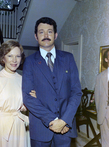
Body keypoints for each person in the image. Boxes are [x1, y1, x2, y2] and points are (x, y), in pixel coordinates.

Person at [22, 17, 82, 147]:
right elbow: (27, 97)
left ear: (55, 35)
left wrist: (64, 120)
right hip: (40, 130)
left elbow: (76, 92)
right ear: (36, 36)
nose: (45, 35)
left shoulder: (68, 58)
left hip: (65, 129)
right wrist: (55, 121)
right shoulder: (30, 62)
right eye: (41, 32)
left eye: (49, 31)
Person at [0, 40, 32, 147]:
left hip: (19, 127)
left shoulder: (23, 80)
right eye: (10, 56)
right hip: (1, 129)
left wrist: (28, 102)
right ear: (3, 58)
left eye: (18, 56)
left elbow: (22, 106)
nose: (14, 60)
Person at [95, 49, 109, 147]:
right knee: (105, 141)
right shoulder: (100, 77)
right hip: (104, 113)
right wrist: (100, 113)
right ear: (106, 59)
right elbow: (97, 97)